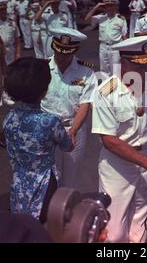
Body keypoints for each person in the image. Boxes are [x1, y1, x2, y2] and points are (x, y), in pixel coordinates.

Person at [91, 35, 147, 243]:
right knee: (114, 231)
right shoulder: (106, 92)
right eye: (141, 66)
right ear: (125, 62)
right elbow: (109, 140)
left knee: (142, 225)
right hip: (118, 166)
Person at [3, 58, 74, 223]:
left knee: (21, 227)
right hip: (44, 185)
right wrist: (72, 135)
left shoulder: (9, 118)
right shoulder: (49, 121)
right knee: (43, 227)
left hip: (19, 183)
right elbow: (68, 146)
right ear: (43, 92)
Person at [41, 27, 97, 188]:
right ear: (54, 47)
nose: (62, 57)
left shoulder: (86, 72)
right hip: (47, 127)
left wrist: (72, 131)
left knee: (71, 173)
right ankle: (50, 208)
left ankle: (65, 207)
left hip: (74, 127)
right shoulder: (43, 68)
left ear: (74, 51)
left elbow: (85, 104)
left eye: (67, 53)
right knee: (50, 173)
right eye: (59, 52)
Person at [84, 0, 128, 76]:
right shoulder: (101, 18)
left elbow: (124, 35)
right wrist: (96, 7)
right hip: (103, 47)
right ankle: (106, 87)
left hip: (115, 47)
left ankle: (116, 87)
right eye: (107, 6)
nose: (109, 8)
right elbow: (86, 19)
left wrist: (127, 51)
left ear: (116, 6)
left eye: (111, 5)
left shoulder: (121, 19)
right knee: (104, 71)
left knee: (116, 70)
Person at [0, 0, 22, 65]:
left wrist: (18, 53)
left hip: (10, 51)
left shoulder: (12, 23)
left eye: (4, 9)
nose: (3, 12)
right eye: (0, 10)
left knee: (11, 71)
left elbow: (18, 40)